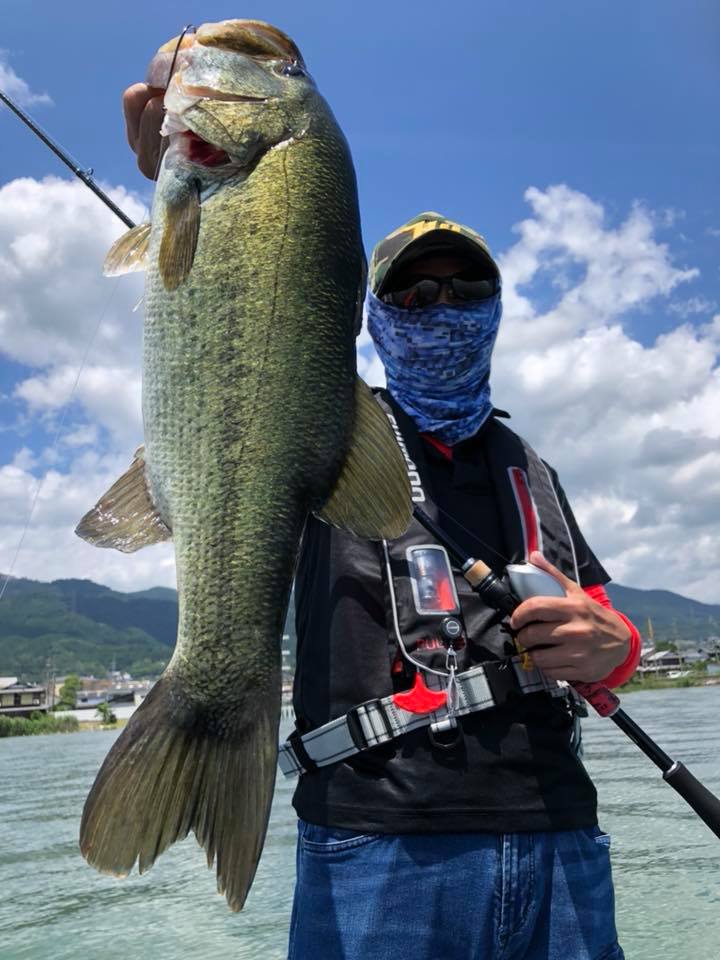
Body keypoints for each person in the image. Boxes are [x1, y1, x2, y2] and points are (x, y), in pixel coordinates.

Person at [123, 87, 640, 960]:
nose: (442, 306)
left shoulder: (533, 467)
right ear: (371, 320)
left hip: (563, 839)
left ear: (497, 307)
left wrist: (616, 646)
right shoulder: (323, 427)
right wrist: (196, 197)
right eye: (413, 293)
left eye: (466, 288)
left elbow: (600, 617)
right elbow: (232, 376)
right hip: (378, 849)